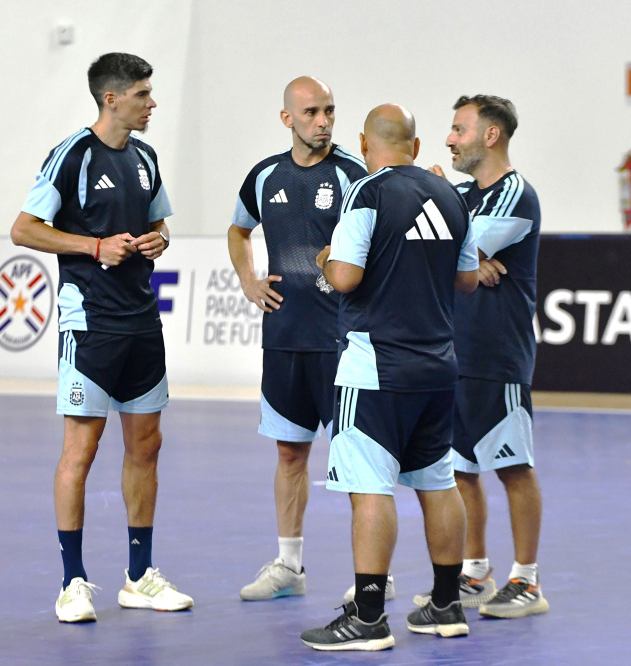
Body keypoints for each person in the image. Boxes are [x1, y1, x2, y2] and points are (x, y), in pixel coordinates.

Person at [11, 52, 192, 623]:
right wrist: (93, 247)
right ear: (111, 98)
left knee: (146, 445)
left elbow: (159, 221)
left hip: (143, 321)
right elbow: (23, 229)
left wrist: (158, 240)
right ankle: (72, 582)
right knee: (81, 451)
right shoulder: (73, 155)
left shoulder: (145, 156)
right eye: (143, 94)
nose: (152, 103)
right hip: (89, 325)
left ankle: (139, 576)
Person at [300, 104, 480, 651]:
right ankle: (447, 604)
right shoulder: (451, 196)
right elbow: (468, 280)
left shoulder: (368, 191)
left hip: (375, 366)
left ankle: (369, 616)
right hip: (436, 367)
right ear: (417, 145)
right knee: (437, 482)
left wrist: (326, 259)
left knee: (369, 488)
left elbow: (347, 277)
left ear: (363, 141)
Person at [228, 77, 384, 601]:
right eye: (313, 112)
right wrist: (249, 278)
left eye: (330, 112)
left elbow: (384, 242)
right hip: (285, 340)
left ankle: (373, 580)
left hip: (343, 345)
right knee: (290, 456)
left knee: (358, 462)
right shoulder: (264, 175)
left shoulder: (354, 177)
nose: (323, 121)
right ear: (287, 118)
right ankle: (289, 567)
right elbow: (238, 229)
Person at [420, 95, 548, 619]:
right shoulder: (463, 196)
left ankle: (527, 582)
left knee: (514, 468)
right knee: (461, 471)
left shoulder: (516, 193)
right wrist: (470, 254)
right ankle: (475, 572)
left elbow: (451, 244)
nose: (449, 139)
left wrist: (464, 247)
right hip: (453, 353)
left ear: (489, 136)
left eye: (458, 129)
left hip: (497, 355)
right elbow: (438, 245)